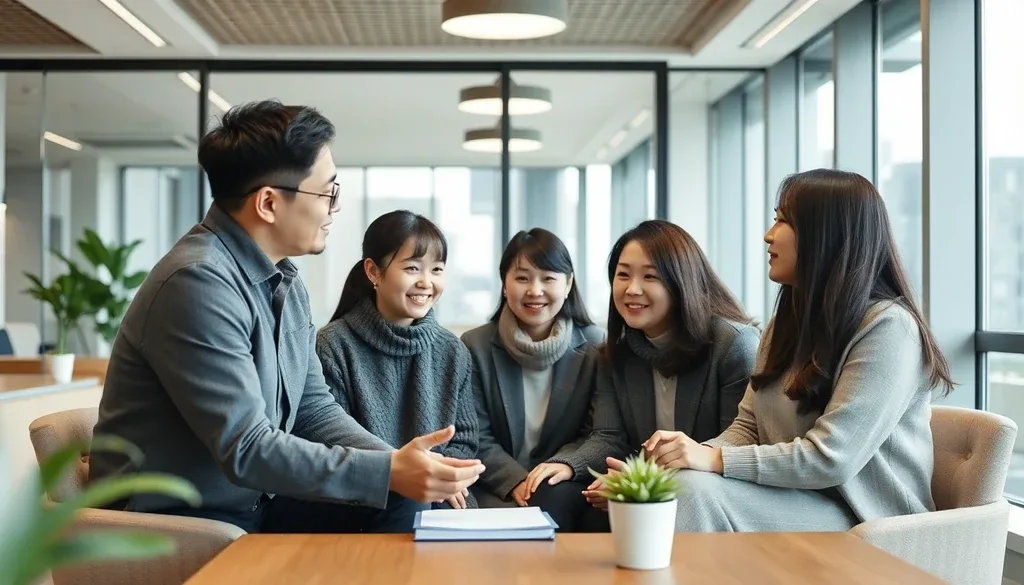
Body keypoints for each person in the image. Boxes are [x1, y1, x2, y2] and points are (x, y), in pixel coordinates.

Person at [88, 100, 483, 534]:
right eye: (326, 191)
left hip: (251, 499)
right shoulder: (197, 283)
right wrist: (387, 471)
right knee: (393, 494)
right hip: (180, 518)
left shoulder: (283, 280)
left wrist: (398, 464)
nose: (334, 208)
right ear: (269, 203)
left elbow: (313, 409)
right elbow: (248, 447)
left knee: (403, 500)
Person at [640, 169, 954, 532]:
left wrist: (712, 459)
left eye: (783, 221)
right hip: (796, 498)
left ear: (826, 235)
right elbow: (748, 427)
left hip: (867, 520)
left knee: (691, 491)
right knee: (676, 485)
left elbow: (830, 458)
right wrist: (682, 460)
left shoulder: (889, 328)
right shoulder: (787, 323)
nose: (768, 235)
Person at [266, 210, 479, 532]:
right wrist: (402, 473)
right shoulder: (333, 345)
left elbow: (464, 440)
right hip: (357, 495)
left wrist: (441, 476)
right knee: (411, 501)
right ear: (373, 272)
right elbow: (326, 440)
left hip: (439, 492)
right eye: (412, 268)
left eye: (437, 269)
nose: (426, 282)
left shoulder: (453, 350)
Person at [552, 219, 760, 515]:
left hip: (714, 496)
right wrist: (569, 465)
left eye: (650, 277)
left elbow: (735, 446)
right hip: (648, 486)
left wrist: (640, 482)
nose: (632, 289)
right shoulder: (618, 353)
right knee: (560, 495)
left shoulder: (734, 346)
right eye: (623, 275)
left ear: (682, 283)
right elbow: (609, 437)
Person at [462, 228, 605, 531]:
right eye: (523, 278)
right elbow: (475, 433)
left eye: (548, 278)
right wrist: (515, 479)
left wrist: (563, 466)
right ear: (504, 285)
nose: (535, 290)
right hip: (494, 483)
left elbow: (597, 430)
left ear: (568, 284)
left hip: (561, 480)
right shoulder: (475, 345)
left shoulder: (595, 345)